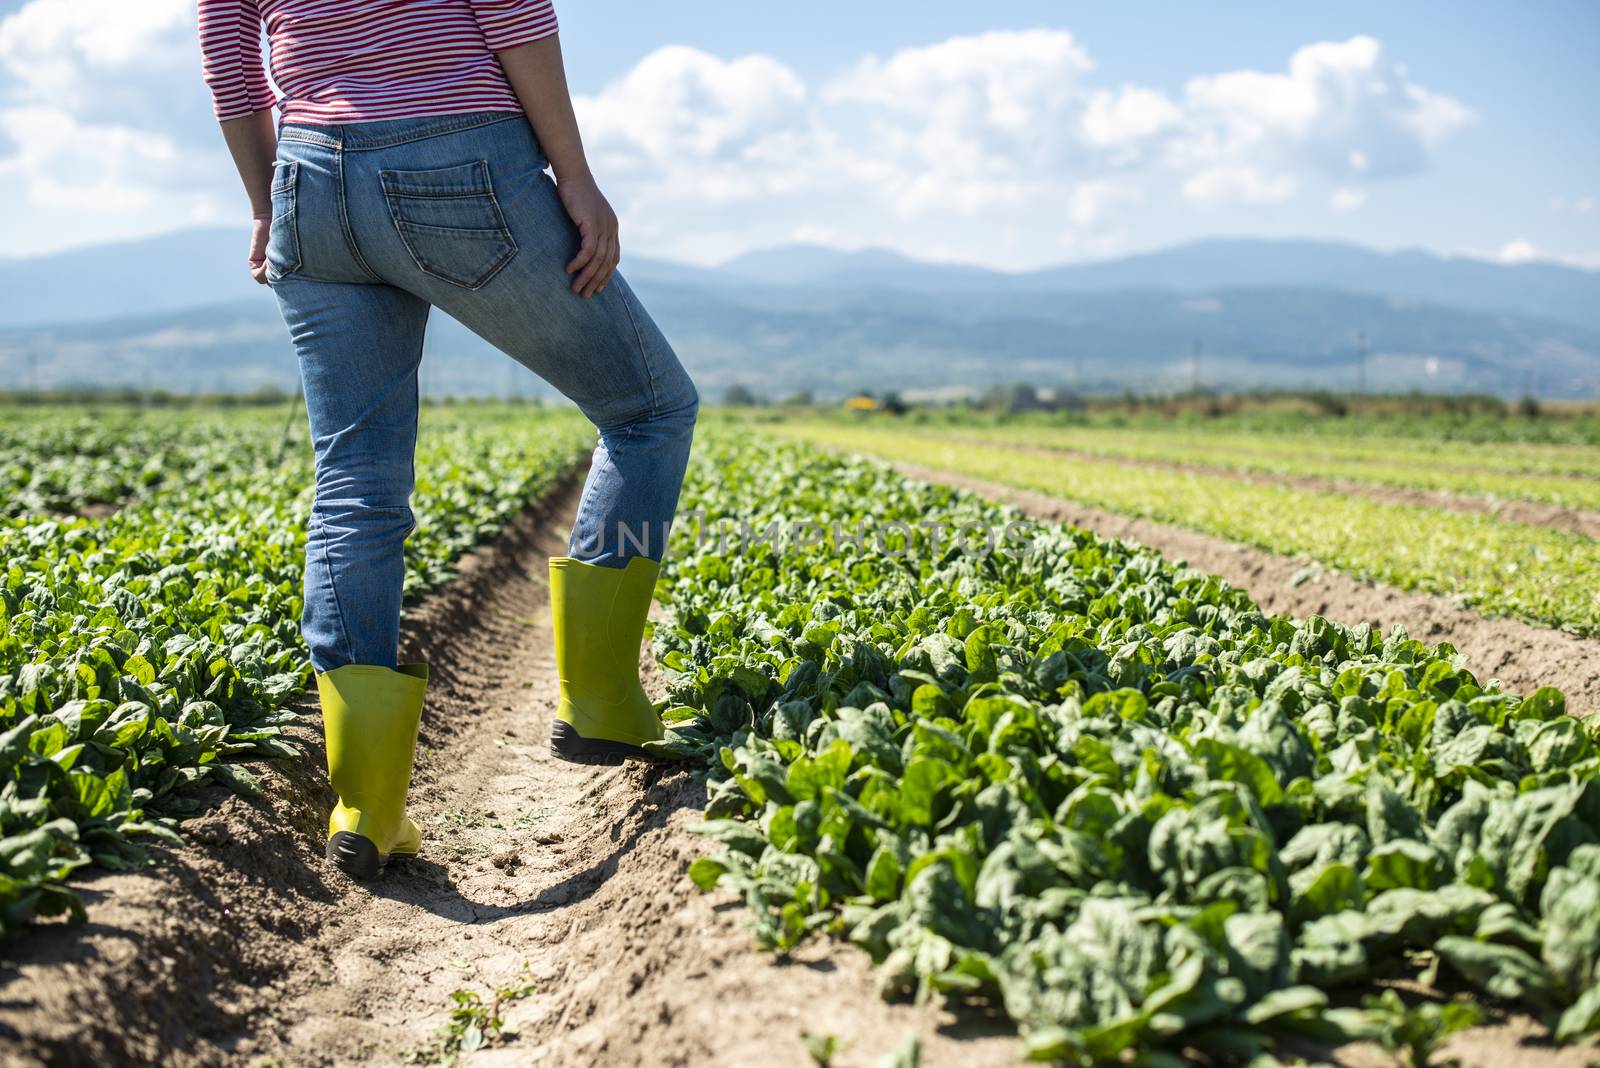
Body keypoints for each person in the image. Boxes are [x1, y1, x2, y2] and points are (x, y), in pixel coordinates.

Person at [196, 0, 699, 881]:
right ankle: (605, 701)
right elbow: (510, 11)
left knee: (356, 483)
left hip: (307, 179)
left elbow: (229, 63)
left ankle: (367, 806)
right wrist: (574, 177)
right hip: (458, 157)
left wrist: (262, 201)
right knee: (649, 409)